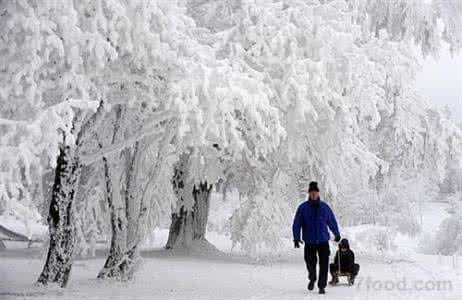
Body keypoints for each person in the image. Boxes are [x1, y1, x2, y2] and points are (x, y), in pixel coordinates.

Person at [292, 181, 341, 295]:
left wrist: (336, 233)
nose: (314, 194)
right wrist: (296, 237)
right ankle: (312, 278)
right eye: (312, 192)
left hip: (323, 241)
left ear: (318, 193)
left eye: (315, 192)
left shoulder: (324, 207)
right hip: (309, 241)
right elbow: (297, 223)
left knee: (324, 264)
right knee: (310, 263)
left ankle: (321, 286)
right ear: (309, 194)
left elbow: (331, 221)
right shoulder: (303, 208)